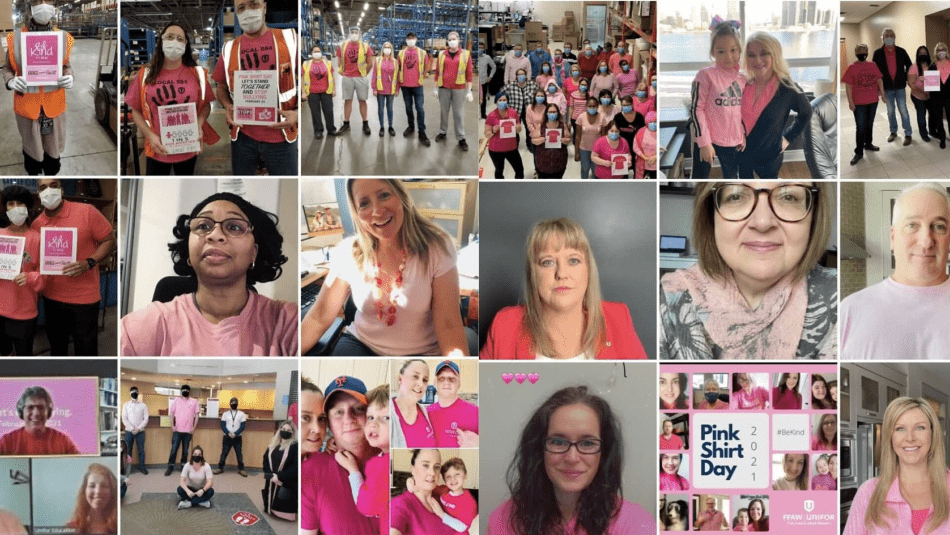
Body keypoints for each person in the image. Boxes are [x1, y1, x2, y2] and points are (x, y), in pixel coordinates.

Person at [660, 182, 837, 359]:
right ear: (710, 215)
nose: (762, 222)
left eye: (788, 197)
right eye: (736, 196)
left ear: (814, 216)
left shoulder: (845, 303)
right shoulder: (667, 302)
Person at [301, 179, 468, 356]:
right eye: (364, 203)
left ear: (401, 196)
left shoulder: (437, 247)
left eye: (384, 195)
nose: (377, 211)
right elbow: (319, 317)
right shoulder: (349, 252)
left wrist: (455, 370)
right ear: (357, 213)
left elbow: (449, 325)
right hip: (361, 344)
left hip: (422, 353)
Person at [121, 192, 296, 355]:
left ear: (254, 253)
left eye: (234, 227)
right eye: (203, 226)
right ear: (188, 251)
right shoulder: (142, 327)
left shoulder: (285, 321)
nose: (215, 235)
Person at [486, 386, 656, 535]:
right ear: (539, 449)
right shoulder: (504, 519)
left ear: (604, 453)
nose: (572, 458)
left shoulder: (635, 523)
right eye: (558, 442)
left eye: (588, 443)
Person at [481, 218, 648, 360]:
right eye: (548, 262)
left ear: (588, 270)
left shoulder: (618, 317)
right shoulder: (504, 324)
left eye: (573, 261)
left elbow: (644, 388)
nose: (561, 274)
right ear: (533, 274)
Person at [841, 182, 950, 359]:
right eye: (912, 225)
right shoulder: (850, 311)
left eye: (938, 226)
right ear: (893, 237)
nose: (926, 242)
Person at [213, 0, 298, 175]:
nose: (248, 11)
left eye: (253, 4)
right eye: (242, 8)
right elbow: (220, 87)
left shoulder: (289, 39)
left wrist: (297, 112)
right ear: (236, 13)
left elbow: (305, 79)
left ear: (265, 7)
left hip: (281, 136)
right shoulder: (229, 49)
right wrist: (228, 106)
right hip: (243, 138)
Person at [32, 178, 115, 356]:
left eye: (53, 185)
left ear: (62, 190)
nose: (49, 190)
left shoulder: (86, 212)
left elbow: (109, 241)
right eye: (43, 187)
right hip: (51, 298)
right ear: (39, 195)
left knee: (86, 350)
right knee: (57, 347)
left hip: (84, 299)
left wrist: (89, 262)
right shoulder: (37, 225)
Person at [845, 397, 950, 535]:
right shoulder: (869, 493)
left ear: (932, 433)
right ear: (890, 436)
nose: (910, 438)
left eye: (920, 427)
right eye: (900, 429)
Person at [126, 22, 218, 175]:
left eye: (180, 39)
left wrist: (199, 125)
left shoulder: (197, 74)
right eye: (170, 37)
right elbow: (136, 111)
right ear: (161, 41)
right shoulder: (145, 74)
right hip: (157, 148)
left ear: (185, 44)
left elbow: (206, 105)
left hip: (187, 147)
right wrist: (150, 135)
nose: (174, 41)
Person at [2, 0, 74, 175]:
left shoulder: (63, 38)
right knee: (31, 151)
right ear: (29, 8)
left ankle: (51, 170)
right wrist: (10, 81)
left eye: (48, 1)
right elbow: (7, 68)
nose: (43, 5)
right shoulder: (14, 38)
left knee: (53, 152)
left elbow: (66, 65)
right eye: (37, 1)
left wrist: (70, 75)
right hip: (27, 107)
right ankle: (33, 170)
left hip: (54, 106)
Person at [301, 376, 379, 535]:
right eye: (338, 412)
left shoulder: (388, 457)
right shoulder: (311, 470)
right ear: (328, 422)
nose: (348, 419)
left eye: (357, 409)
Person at [738, 32, 812, 177]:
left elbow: (806, 113)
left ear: (775, 55)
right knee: (745, 186)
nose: (757, 60)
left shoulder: (787, 87)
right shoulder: (742, 84)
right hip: (741, 154)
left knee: (769, 187)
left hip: (769, 155)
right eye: (751, 55)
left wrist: (788, 137)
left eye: (764, 53)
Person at [691, 20, 746, 179]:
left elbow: (743, 110)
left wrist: (742, 134)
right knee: (699, 179)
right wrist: (704, 143)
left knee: (732, 180)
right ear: (713, 52)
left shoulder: (744, 77)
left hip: (734, 142)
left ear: (740, 50)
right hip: (708, 139)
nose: (728, 57)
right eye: (721, 51)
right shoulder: (706, 75)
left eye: (733, 50)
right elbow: (696, 109)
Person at [336, 384, 388, 535]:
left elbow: (366, 507)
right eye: (370, 417)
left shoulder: (383, 464)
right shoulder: (382, 454)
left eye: (386, 417)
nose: (373, 424)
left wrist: (353, 470)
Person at [0, 185, 43, 356]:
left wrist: (31, 277)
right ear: (5, 208)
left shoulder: (38, 238)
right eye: (11, 204)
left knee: (24, 356)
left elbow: (46, 275)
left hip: (24, 312)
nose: (16, 208)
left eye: (20, 203)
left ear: (27, 207)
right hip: (0, 310)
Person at [390, 449, 465, 535]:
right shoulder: (399, 505)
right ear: (413, 470)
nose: (432, 473)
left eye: (437, 467)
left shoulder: (444, 497)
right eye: (425, 465)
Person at [0, 386, 79, 454]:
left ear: (48, 411)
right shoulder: (7, 441)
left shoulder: (63, 441)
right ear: (21, 411)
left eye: (41, 407)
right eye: (30, 407)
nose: (36, 413)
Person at [843, 44, 885, 166]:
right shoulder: (852, 67)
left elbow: (879, 80)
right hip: (859, 103)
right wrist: (850, 102)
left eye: (864, 50)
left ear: (867, 52)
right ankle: (859, 152)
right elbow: (848, 86)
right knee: (860, 127)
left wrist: (882, 94)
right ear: (856, 53)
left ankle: (868, 144)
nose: (862, 53)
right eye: (860, 51)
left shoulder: (872, 65)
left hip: (873, 100)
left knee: (869, 124)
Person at [873, 28, 914, 146]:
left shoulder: (901, 51)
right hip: (886, 88)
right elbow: (874, 72)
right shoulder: (878, 53)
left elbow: (910, 66)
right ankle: (893, 132)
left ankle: (908, 134)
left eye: (891, 35)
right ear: (883, 38)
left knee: (903, 110)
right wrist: (878, 90)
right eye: (886, 35)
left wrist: (905, 78)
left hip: (900, 86)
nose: (889, 37)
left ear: (895, 37)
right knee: (890, 112)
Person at [434, 31, 473, 152]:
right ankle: (443, 132)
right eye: (449, 39)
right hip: (444, 88)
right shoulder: (441, 54)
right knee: (444, 112)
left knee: (458, 114)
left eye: (454, 39)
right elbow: (437, 73)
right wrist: (435, 88)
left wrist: (469, 91)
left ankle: (461, 138)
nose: (452, 41)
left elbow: (469, 74)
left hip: (459, 89)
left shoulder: (466, 54)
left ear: (459, 40)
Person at [426, 360, 478, 448]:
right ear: (435, 383)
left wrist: (479, 444)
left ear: (459, 384)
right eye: (441, 378)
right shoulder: (426, 413)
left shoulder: (475, 412)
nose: (446, 382)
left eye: (452, 379)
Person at [335, 26, 373, 136]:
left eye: (356, 32)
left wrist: (364, 73)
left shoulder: (365, 46)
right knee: (348, 101)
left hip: (360, 77)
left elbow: (370, 63)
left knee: (362, 100)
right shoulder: (342, 46)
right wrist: (342, 70)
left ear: (359, 34)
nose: (354, 34)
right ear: (349, 33)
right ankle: (346, 123)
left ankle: (365, 123)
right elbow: (338, 59)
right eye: (352, 32)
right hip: (347, 77)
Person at [391, 359, 436, 448]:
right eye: (415, 376)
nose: (420, 384)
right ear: (400, 379)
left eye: (425, 380)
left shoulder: (425, 413)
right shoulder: (389, 415)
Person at [398, 32, 430, 146]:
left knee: (420, 109)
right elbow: (399, 68)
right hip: (405, 86)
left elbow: (427, 65)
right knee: (408, 108)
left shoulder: (422, 52)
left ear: (416, 39)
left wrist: (424, 74)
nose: (411, 40)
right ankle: (411, 126)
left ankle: (422, 132)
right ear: (406, 40)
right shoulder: (401, 53)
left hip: (417, 85)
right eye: (409, 38)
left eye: (412, 38)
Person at [66, 464, 117, 534]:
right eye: (92, 486)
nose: (98, 491)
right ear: (84, 490)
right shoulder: (71, 528)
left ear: (112, 491)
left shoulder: (119, 525)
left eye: (104, 486)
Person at [262, 420, 297, 521]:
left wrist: (279, 477)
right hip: (271, 478)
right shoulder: (273, 444)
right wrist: (268, 473)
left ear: (292, 433)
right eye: (283, 429)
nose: (285, 431)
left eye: (288, 430)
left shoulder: (295, 446)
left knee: (283, 502)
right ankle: (269, 508)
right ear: (280, 430)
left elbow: (295, 467)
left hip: (286, 480)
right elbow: (265, 459)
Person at [433, 457, 478, 535]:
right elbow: (428, 488)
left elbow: (462, 527)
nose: (453, 479)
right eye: (448, 476)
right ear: (444, 480)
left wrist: (441, 514)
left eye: (457, 474)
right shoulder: (443, 490)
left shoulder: (469, 502)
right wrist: (410, 481)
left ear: (465, 475)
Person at [484, 92, 524, 178]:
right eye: (500, 100)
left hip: (511, 148)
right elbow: (486, 134)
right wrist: (493, 131)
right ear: (496, 102)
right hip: (496, 150)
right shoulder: (491, 115)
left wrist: (518, 128)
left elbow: (519, 128)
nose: (502, 102)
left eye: (504, 100)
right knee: (499, 170)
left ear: (507, 101)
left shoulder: (513, 113)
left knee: (519, 170)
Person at [164, 385, 200, 476]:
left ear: (189, 391)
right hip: (177, 431)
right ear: (181, 391)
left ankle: (183, 467)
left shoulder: (194, 401)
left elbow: (197, 416)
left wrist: (193, 428)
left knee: (185, 451)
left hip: (188, 431)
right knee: (174, 450)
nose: (185, 391)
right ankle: (170, 467)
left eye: (187, 390)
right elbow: (171, 414)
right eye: (183, 390)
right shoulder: (176, 401)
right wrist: (172, 426)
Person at [302, 44, 337, 139]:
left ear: (321, 53)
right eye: (315, 51)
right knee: (315, 113)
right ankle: (318, 131)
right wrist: (303, 92)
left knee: (329, 111)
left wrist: (334, 89)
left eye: (318, 51)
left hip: (326, 91)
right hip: (312, 92)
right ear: (311, 53)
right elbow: (302, 78)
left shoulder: (328, 63)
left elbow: (332, 77)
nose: (316, 53)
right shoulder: (306, 64)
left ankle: (331, 129)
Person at [503, 67, 539, 151]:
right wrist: (506, 106)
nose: (521, 76)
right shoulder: (510, 85)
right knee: (514, 128)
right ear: (516, 76)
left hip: (528, 111)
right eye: (519, 74)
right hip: (515, 111)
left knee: (529, 128)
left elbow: (540, 94)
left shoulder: (532, 85)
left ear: (526, 76)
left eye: (522, 74)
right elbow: (501, 95)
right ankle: (515, 144)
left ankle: (530, 145)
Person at [530, 102, 569, 178]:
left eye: (554, 112)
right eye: (550, 112)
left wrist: (565, 140)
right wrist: (538, 141)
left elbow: (568, 138)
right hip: (543, 163)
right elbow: (533, 140)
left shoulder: (562, 125)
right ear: (546, 113)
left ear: (558, 113)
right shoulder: (541, 126)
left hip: (559, 162)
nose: (552, 114)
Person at [370, 41, 399, 137]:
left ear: (391, 49)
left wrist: (397, 89)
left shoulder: (395, 61)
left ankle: (390, 126)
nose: (387, 49)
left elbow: (397, 76)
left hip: (391, 89)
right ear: (383, 49)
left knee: (390, 108)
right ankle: (382, 127)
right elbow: (374, 74)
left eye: (389, 47)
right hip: (380, 89)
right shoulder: (378, 60)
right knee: (381, 109)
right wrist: (374, 88)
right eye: (385, 47)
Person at [214, 396, 247, 476]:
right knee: (224, 452)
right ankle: (220, 468)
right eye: (232, 403)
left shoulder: (241, 414)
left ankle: (241, 469)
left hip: (237, 437)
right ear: (230, 404)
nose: (233, 404)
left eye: (235, 403)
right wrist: (228, 433)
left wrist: (235, 434)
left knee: (239, 453)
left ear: (237, 404)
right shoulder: (225, 414)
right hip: (227, 437)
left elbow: (242, 426)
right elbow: (222, 425)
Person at [575, 97, 607, 178]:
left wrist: (603, 152)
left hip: (597, 150)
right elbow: (578, 136)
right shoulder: (581, 117)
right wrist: (576, 152)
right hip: (584, 149)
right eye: (590, 106)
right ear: (586, 106)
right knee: (584, 169)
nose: (592, 108)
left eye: (594, 106)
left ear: (597, 107)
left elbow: (604, 137)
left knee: (595, 170)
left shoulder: (602, 117)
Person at [907, 46, 932, 144]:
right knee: (921, 115)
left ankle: (932, 131)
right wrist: (922, 94)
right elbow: (911, 83)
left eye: (924, 53)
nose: (923, 55)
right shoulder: (914, 67)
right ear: (917, 55)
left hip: (930, 97)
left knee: (932, 115)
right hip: (918, 97)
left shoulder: (931, 66)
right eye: (920, 53)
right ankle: (923, 133)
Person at [122, 385, 148, 474]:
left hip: (140, 432)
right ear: (130, 393)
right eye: (132, 391)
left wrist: (138, 428)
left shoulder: (143, 405)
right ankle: (128, 469)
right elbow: (124, 418)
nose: (134, 393)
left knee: (141, 450)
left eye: (136, 391)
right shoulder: (126, 405)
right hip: (129, 431)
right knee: (128, 450)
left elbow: (146, 419)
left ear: (138, 392)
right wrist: (132, 428)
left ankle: (142, 467)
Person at [177, 445, 214, 509]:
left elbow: (210, 482)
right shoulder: (187, 465)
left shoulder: (206, 466)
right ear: (192, 455)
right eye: (195, 454)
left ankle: (189, 503)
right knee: (179, 489)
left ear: (202, 456)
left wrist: (203, 490)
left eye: (199, 454)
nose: (197, 456)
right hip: (191, 489)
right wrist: (188, 491)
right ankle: (202, 502)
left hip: (202, 490)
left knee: (211, 491)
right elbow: (181, 481)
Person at [929, 42, 950, 150]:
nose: (941, 52)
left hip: (949, 97)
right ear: (936, 53)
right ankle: (942, 138)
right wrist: (925, 80)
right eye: (938, 50)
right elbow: (930, 85)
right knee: (938, 118)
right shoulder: (932, 66)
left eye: (943, 49)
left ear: (946, 51)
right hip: (936, 98)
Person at [632, 111, 657, 178]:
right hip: (644, 163)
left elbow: (663, 148)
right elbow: (635, 146)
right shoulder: (641, 132)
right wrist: (645, 158)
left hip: (657, 165)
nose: (653, 124)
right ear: (647, 122)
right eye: (651, 122)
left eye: (655, 122)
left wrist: (655, 157)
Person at [524, 87, 548, 156]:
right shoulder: (530, 108)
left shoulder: (547, 107)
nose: (540, 97)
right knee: (536, 157)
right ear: (534, 97)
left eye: (541, 96)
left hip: (545, 136)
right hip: (534, 136)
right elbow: (529, 122)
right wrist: (535, 133)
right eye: (538, 96)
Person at [478, 44, 496, 119]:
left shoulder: (487, 57)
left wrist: (490, 76)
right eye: (479, 47)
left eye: (482, 48)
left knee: (483, 99)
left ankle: (483, 114)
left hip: (483, 82)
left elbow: (494, 66)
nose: (480, 49)